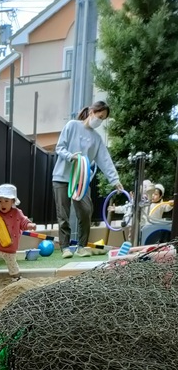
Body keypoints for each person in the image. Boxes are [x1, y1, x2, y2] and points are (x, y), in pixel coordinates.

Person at [52, 100, 123, 258]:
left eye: (103, 119)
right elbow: (60, 147)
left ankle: (81, 246)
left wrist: (115, 180)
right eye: (100, 116)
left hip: (81, 180)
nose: (100, 121)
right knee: (63, 214)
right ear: (92, 112)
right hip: (62, 177)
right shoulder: (72, 126)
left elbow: (105, 160)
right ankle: (65, 247)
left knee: (86, 211)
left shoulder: (96, 138)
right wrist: (71, 157)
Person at [0, 183, 36, 282]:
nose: (3, 204)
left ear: (12, 201)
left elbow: (23, 222)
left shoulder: (17, 213)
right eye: (0, 201)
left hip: (10, 246)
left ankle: (16, 278)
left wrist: (29, 225)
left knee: (13, 268)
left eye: (6, 201)